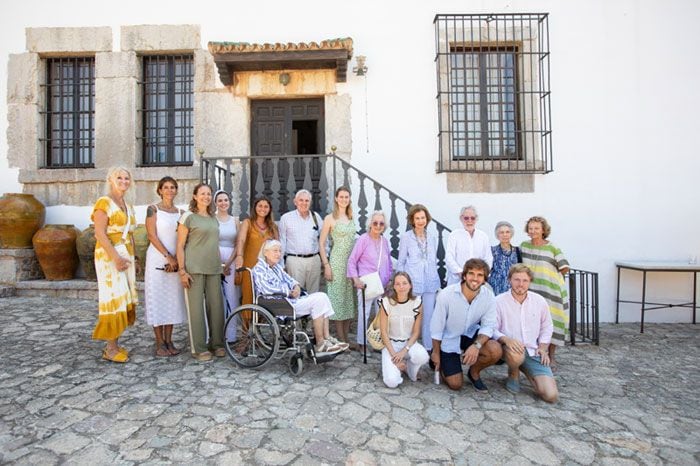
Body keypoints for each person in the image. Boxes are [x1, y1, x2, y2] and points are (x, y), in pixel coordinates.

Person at [252, 240, 349, 354]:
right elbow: (267, 289)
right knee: (318, 300)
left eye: (279, 251)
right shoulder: (259, 269)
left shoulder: (276, 267)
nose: (278, 254)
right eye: (275, 251)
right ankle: (320, 342)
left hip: (289, 301)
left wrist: (296, 286)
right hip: (279, 305)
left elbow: (289, 279)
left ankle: (326, 338)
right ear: (265, 252)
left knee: (323, 296)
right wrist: (288, 292)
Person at [430, 258, 502, 391]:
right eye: (471, 274)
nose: (475, 278)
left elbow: (489, 325)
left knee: (495, 350)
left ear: (485, 279)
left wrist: (476, 346)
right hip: (450, 337)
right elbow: (437, 327)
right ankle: (441, 361)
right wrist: (435, 352)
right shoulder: (446, 295)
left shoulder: (489, 296)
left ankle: (473, 373)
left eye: (480, 275)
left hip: (470, 334)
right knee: (456, 384)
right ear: (464, 275)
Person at [91, 167, 138, 363]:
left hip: (125, 253)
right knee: (113, 297)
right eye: (119, 177)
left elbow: (131, 234)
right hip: (109, 255)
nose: (124, 181)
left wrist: (135, 258)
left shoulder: (127, 205)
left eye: (127, 178)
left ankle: (115, 344)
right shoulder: (104, 203)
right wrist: (116, 258)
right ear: (111, 179)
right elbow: (99, 234)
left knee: (124, 296)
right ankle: (110, 349)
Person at [494, 264, 559, 402]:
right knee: (516, 355)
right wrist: (506, 339)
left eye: (525, 281)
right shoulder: (499, 301)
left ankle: (528, 370)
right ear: (509, 280)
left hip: (533, 351)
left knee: (550, 396)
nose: (520, 284)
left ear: (530, 282)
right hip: (510, 349)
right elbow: (492, 328)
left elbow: (547, 326)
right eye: (517, 280)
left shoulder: (539, 301)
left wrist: (542, 348)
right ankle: (513, 372)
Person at [176, 183, 225, 362]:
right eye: (202, 193)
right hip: (193, 269)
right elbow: (180, 245)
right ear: (195, 196)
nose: (206, 197)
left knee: (217, 308)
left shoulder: (213, 218)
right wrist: (182, 271)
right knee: (196, 310)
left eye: (209, 194)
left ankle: (217, 344)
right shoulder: (187, 217)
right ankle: (199, 348)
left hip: (213, 268)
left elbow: (214, 244)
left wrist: (221, 266)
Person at [144, 176, 187, 357]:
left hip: (175, 261)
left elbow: (182, 239)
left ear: (176, 190)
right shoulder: (152, 210)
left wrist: (177, 261)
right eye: (166, 187)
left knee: (171, 301)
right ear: (160, 190)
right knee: (157, 299)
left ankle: (169, 340)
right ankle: (159, 342)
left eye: (173, 187)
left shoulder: (181, 213)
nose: (169, 190)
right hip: (157, 259)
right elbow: (152, 236)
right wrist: (168, 257)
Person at [520, 216, 570, 367]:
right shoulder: (524, 246)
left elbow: (565, 267)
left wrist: (552, 278)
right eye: (531, 228)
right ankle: (534, 354)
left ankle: (551, 355)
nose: (533, 231)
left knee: (552, 321)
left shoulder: (552, 248)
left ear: (543, 230)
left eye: (537, 228)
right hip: (532, 290)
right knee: (534, 321)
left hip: (551, 291)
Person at [347, 211, 393, 353]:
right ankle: (362, 343)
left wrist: (389, 280)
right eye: (375, 223)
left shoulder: (385, 241)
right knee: (364, 313)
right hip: (366, 283)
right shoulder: (363, 239)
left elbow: (389, 262)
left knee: (381, 314)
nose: (378, 226)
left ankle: (378, 342)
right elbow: (352, 260)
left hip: (382, 284)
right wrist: (355, 279)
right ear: (370, 224)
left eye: (381, 223)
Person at [397, 204, 441, 350]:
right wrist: (401, 283)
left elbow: (433, 260)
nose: (420, 221)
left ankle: (428, 348)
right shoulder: (406, 237)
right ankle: (409, 348)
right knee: (411, 316)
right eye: (417, 218)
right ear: (412, 220)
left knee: (428, 317)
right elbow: (401, 261)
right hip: (413, 283)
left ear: (427, 219)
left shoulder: (432, 237)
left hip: (430, 282)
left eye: (423, 217)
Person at [319, 186, 357, 346]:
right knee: (338, 299)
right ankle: (341, 339)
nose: (343, 199)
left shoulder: (351, 217)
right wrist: (326, 265)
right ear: (336, 198)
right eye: (341, 196)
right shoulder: (330, 218)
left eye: (346, 197)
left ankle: (346, 338)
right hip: (336, 262)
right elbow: (321, 244)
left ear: (349, 199)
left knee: (349, 299)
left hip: (351, 263)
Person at [379, 272, 430, 388]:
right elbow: (383, 332)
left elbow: (416, 332)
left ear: (410, 285)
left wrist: (404, 351)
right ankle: (397, 366)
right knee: (391, 382)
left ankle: (409, 367)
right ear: (394, 287)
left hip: (409, 344)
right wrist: (394, 357)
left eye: (404, 283)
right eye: (397, 284)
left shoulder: (417, 302)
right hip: (390, 345)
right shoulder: (386, 302)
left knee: (422, 356)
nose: (401, 287)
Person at [235, 196, 279, 305]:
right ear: (255, 207)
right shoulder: (247, 223)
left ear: (269, 209)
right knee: (249, 294)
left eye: (266, 206)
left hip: (266, 267)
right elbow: (241, 240)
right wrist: (239, 256)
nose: (263, 209)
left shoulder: (273, 226)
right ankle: (248, 321)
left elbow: (277, 246)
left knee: (265, 296)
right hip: (250, 265)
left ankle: (263, 320)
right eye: (260, 206)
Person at [279, 190, 324, 293]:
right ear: (295, 202)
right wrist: (281, 264)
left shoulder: (316, 217)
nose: (304, 203)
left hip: (314, 260)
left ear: (310, 202)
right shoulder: (286, 218)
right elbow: (282, 242)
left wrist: (324, 259)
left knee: (314, 294)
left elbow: (323, 240)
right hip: (294, 261)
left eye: (307, 200)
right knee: (296, 293)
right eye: (301, 200)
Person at [214, 190, 240, 340]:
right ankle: (217, 333)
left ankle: (230, 336)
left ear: (229, 202)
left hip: (232, 259)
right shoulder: (212, 219)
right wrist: (220, 264)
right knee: (216, 297)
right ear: (216, 203)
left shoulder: (235, 220)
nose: (223, 203)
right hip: (215, 258)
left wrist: (229, 262)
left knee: (231, 296)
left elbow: (238, 243)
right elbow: (211, 242)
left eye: (226, 200)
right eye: (220, 201)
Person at [445, 206, 493, 285]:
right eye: (466, 218)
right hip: (458, 280)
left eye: (472, 218)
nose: (469, 221)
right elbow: (449, 257)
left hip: (477, 280)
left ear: (476, 219)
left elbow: (488, 258)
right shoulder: (454, 235)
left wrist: (482, 273)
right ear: (461, 218)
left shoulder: (483, 236)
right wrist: (461, 272)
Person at [488, 221, 522, 295]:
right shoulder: (492, 251)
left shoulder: (518, 251)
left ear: (511, 234)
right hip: (495, 290)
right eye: (501, 232)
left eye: (507, 232)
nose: (505, 235)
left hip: (513, 289)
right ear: (497, 235)